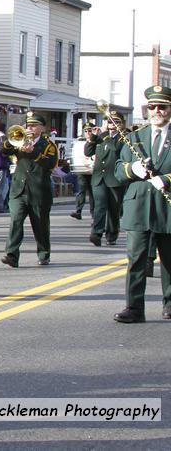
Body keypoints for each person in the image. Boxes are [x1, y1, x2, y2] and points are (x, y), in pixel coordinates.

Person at [112, 85, 171, 323]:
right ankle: (134, 307)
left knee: (168, 259)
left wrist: (166, 179)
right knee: (135, 259)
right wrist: (133, 169)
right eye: (152, 107)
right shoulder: (135, 137)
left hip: (166, 205)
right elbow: (117, 169)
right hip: (138, 206)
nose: (157, 110)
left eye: (162, 107)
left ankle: (170, 304)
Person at [0, 112, 59, 267]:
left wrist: (32, 152)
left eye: (34, 125)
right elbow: (4, 150)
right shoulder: (20, 141)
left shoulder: (49, 145)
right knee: (16, 221)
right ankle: (12, 254)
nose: (30, 128)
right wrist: (13, 141)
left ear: (42, 128)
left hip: (39, 190)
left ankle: (44, 253)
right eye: (28, 125)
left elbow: (50, 164)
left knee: (40, 225)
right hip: (19, 189)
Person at [83, 112, 125, 246]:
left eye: (116, 122)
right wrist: (91, 139)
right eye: (110, 122)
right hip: (99, 177)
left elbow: (115, 149)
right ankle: (96, 233)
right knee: (100, 206)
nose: (112, 124)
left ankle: (112, 235)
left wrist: (107, 137)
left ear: (121, 124)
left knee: (113, 209)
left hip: (114, 178)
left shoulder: (124, 138)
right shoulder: (101, 136)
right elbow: (88, 152)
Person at [70, 123, 96, 220]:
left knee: (92, 193)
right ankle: (78, 211)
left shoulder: (97, 141)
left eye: (90, 130)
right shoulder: (80, 142)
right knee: (81, 191)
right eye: (86, 131)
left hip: (93, 170)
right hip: (82, 169)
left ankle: (94, 215)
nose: (88, 133)